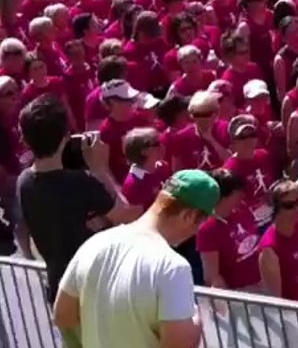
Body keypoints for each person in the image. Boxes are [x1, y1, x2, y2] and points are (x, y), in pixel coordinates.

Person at [52, 170, 217, 348]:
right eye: (201, 223)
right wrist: (196, 321)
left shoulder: (94, 244)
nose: (196, 231)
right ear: (188, 215)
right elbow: (179, 344)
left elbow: (62, 315)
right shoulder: (173, 267)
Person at [16, 95, 139, 302]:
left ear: (25, 139)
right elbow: (126, 214)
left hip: (60, 288)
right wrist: (100, 170)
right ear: (66, 135)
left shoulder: (24, 181)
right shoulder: (81, 183)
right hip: (93, 289)